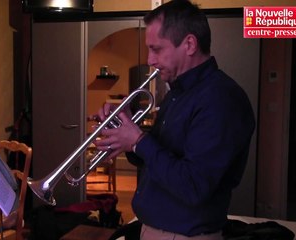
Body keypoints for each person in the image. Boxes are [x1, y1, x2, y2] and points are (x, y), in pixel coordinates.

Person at [92, 0, 256, 239]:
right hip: (156, 230)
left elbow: (193, 186)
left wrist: (138, 140)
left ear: (189, 44)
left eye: (156, 49)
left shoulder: (221, 98)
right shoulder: (178, 93)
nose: (149, 60)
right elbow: (160, 158)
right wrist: (125, 134)